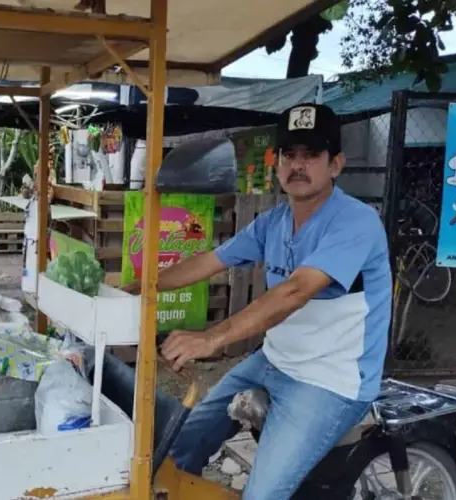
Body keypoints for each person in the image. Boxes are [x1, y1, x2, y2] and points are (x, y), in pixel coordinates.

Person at [122, 104, 392, 499]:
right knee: (177, 452)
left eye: (311, 155)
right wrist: (134, 288)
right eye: (289, 154)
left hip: (329, 381)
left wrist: (211, 338)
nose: (297, 165)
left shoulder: (356, 222)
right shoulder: (273, 223)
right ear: (277, 163)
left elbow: (295, 291)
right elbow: (209, 261)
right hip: (273, 361)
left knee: (261, 495)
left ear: (335, 165)